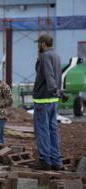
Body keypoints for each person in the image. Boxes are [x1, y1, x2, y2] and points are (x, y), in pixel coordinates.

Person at [32, 33, 63, 171]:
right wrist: (58, 92)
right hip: (52, 100)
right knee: (52, 130)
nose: (38, 46)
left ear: (43, 44)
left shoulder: (45, 56)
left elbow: (49, 76)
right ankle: (56, 161)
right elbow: (55, 75)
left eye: (39, 43)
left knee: (42, 130)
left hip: (43, 99)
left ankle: (44, 160)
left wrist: (53, 89)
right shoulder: (55, 55)